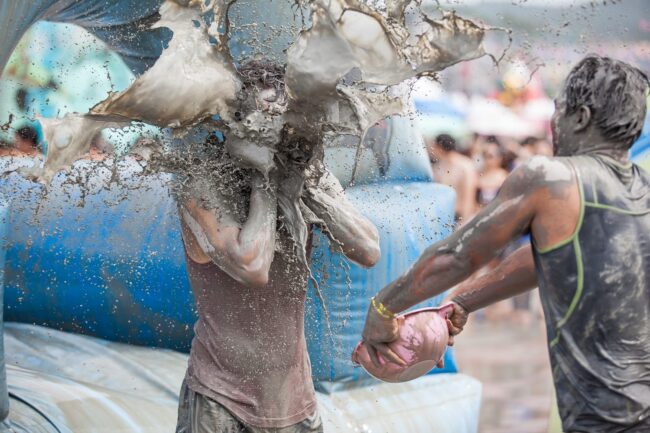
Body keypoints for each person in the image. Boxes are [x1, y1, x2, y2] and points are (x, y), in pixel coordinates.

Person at [361, 55, 650, 432]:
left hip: (608, 420)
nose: (553, 124)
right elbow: (545, 256)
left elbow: (456, 256)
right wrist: (464, 300)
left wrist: (382, 310)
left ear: (579, 117)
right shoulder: (642, 190)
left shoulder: (552, 177)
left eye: (558, 111)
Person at [175, 64, 381, 433]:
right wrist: (265, 178)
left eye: (283, 122)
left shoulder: (308, 174)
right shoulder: (201, 181)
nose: (275, 134)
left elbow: (367, 250)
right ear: (234, 124)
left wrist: (303, 181)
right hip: (222, 403)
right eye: (262, 123)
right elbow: (252, 266)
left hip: (295, 402)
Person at [425, 133, 478, 224]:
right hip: (444, 216)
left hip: (459, 216)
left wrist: (463, 222)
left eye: (433, 147)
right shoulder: (439, 166)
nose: (431, 150)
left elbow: (469, 196)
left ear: (439, 147)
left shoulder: (465, 166)